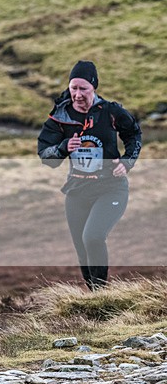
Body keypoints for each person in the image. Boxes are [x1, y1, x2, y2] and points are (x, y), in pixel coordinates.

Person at [38, 60, 142, 290]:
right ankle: (96, 296)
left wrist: (127, 162)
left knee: (93, 237)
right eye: (73, 88)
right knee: (82, 250)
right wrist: (64, 147)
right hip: (77, 192)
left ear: (93, 87)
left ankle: (102, 293)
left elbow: (134, 135)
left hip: (110, 188)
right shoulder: (61, 116)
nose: (77, 94)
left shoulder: (110, 112)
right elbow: (46, 156)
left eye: (83, 88)